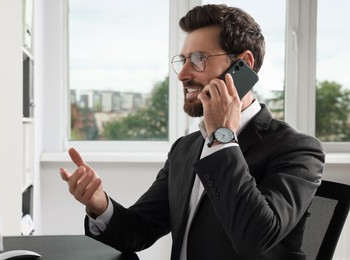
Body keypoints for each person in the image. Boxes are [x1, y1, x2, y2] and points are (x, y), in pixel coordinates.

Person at [60, 4, 325, 260]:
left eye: (199, 59)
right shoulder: (185, 149)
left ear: (243, 64)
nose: (183, 74)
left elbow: (254, 238)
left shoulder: (297, 149)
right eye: (183, 60)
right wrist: (99, 205)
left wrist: (222, 137)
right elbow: (140, 231)